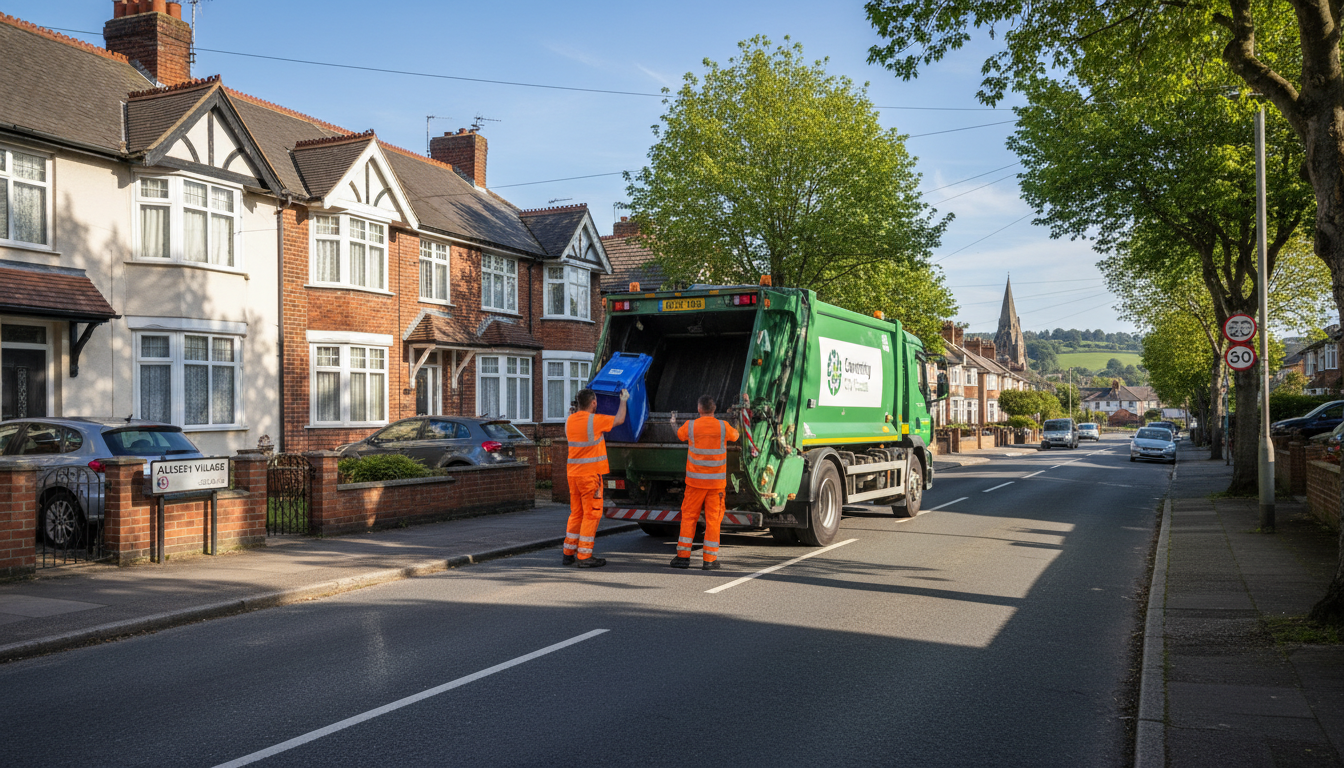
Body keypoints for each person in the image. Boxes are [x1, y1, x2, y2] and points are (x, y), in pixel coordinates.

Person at [671, 395, 739, 571]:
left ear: (699, 409)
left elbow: (679, 435)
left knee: (688, 518)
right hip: (716, 485)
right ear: (714, 409)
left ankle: (682, 558)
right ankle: (709, 560)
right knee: (713, 521)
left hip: (694, 483)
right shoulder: (723, 427)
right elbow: (736, 436)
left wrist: (673, 422)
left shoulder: (691, 426)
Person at [562, 387, 627, 568]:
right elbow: (620, 419)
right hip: (590, 476)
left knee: (576, 514)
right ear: (593, 403)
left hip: (573, 475)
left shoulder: (569, 421)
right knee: (591, 515)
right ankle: (584, 555)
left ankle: (568, 553)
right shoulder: (594, 421)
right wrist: (623, 400)